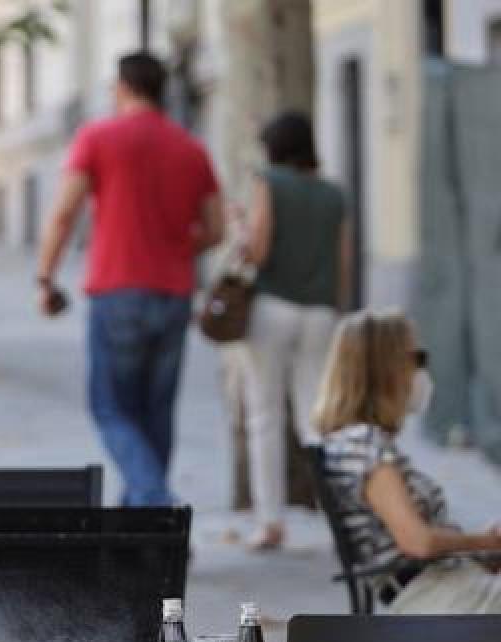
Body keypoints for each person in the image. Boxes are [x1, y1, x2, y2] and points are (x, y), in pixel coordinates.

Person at [35, 51, 223, 506]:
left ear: (122, 87)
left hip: (117, 289)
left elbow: (63, 214)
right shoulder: (191, 147)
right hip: (174, 292)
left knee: (111, 406)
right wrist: (176, 247)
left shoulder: (98, 137)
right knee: (157, 409)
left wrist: (45, 276)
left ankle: (155, 501)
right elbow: (216, 228)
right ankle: (144, 523)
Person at [317, 310, 501, 613]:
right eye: (417, 358)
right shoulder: (363, 444)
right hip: (439, 596)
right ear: (384, 369)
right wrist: (483, 541)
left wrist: (482, 551)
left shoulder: (353, 443)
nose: (422, 371)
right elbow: (417, 543)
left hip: (446, 586)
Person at [236, 111, 351, 550]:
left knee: (265, 415)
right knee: (316, 418)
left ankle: (270, 523)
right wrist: (333, 308)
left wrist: (242, 230)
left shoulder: (269, 182)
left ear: (274, 147)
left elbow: (259, 250)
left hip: (272, 307)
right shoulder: (333, 194)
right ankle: (340, 516)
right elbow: (343, 262)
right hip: (320, 312)